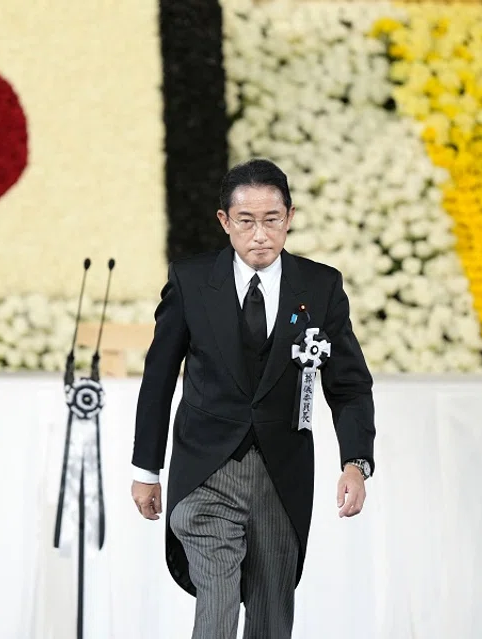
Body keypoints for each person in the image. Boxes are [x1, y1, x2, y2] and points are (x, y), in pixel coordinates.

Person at [130, 158, 375, 638]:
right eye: (246, 221)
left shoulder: (320, 286)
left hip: (281, 474)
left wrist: (356, 461)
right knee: (217, 604)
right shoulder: (192, 282)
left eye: (272, 220)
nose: (260, 234)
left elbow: (347, 383)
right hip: (206, 470)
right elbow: (158, 378)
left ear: (290, 217)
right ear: (224, 221)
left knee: (271, 611)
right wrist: (145, 470)